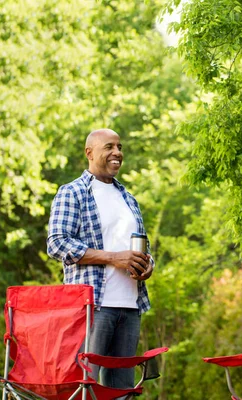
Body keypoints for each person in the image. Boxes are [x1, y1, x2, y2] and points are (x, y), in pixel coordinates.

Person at [47, 128, 154, 390]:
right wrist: (113, 258)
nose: (117, 152)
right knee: (84, 385)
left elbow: (143, 247)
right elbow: (57, 243)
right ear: (89, 152)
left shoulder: (129, 198)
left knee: (122, 390)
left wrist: (148, 265)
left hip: (130, 306)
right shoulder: (73, 192)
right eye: (109, 147)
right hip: (92, 307)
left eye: (119, 147)